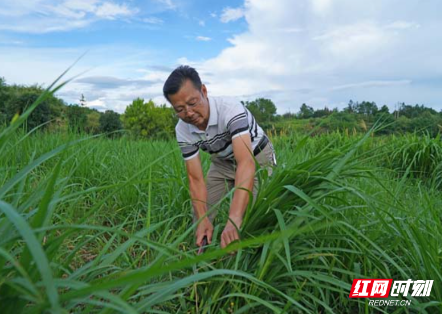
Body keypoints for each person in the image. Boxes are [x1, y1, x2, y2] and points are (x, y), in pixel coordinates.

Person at [163, 65, 276, 250]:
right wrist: (202, 219)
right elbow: (195, 178)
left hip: (256, 156)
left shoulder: (230, 109)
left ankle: (244, 260)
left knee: (251, 216)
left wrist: (234, 218)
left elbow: (246, 163)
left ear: (204, 91)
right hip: (222, 162)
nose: (188, 113)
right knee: (201, 212)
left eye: (192, 103)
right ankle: (203, 254)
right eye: (180, 109)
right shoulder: (182, 130)